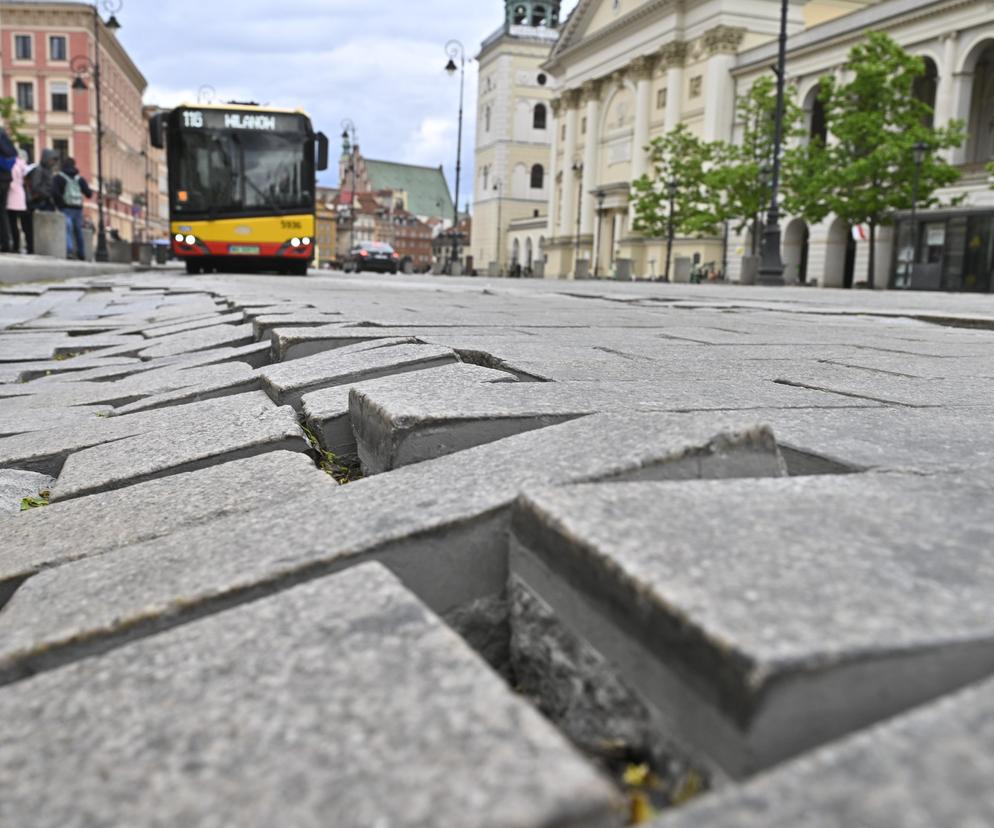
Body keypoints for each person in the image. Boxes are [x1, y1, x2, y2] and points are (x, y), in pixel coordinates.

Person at [54, 156, 93, 260]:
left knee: (68, 229)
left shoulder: (59, 178)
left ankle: (70, 251)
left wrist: (60, 204)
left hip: (65, 208)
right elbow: (88, 194)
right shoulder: (80, 179)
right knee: (78, 231)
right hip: (78, 208)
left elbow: (55, 193)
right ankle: (82, 253)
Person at [7, 150, 32, 254]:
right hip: (21, 197)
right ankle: (28, 246)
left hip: (12, 196)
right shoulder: (25, 167)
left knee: (13, 224)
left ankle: (15, 246)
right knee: (24, 225)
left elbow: (11, 181)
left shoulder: (13, 165)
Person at [0, 124, 17, 253]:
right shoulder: (6, 140)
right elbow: (13, 155)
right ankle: (6, 242)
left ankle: (5, 242)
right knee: (2, 211)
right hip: (6, 179)